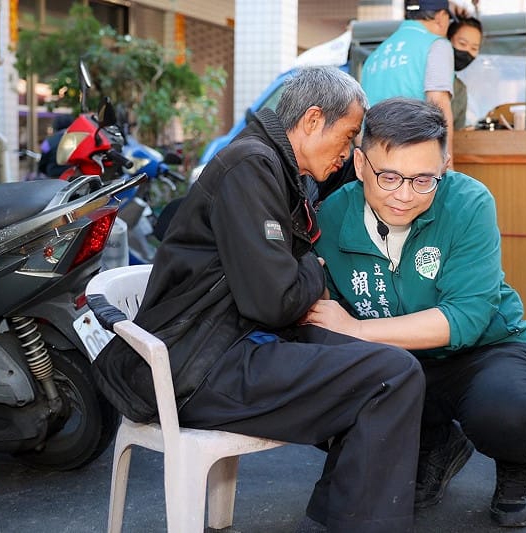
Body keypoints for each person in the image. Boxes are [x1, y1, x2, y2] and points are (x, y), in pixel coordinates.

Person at [90, 67, 426, 533]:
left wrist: (301, 271)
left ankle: (342, 520)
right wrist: (314, 266)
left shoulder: (273, 167)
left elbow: (277, 290)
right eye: (349, 137)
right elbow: (275, 300)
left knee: (389, 366)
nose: (350, 154)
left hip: (234, 343)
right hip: (197, 368)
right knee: (390, 376)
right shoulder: (251, 165)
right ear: (312, 121)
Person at [308, 97, 526, 528]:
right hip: (396, 359)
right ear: (360, 164)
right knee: (319, 409)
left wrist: (357, 329)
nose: (404, 196)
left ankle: (515, 465)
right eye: (388, 177)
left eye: (424, 179)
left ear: (446, 165)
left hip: (486, 349)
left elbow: (466, 318)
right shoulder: (331, 214)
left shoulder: (469, 202)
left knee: (506, 414)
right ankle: (436, 444)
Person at [359, 0, 456, 161]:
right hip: (414, 158)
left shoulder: (376, 54)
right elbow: (438, 103)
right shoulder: (436, 45)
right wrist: (446, 162)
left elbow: (361, 115)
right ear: (441, 16)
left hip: (375, 160)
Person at [447, 16, 483, 130]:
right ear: (447, 40)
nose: (467, 51)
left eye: (474, 48)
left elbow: (457, 131)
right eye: (462, 44)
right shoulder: (424, 75)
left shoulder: (460, 89)